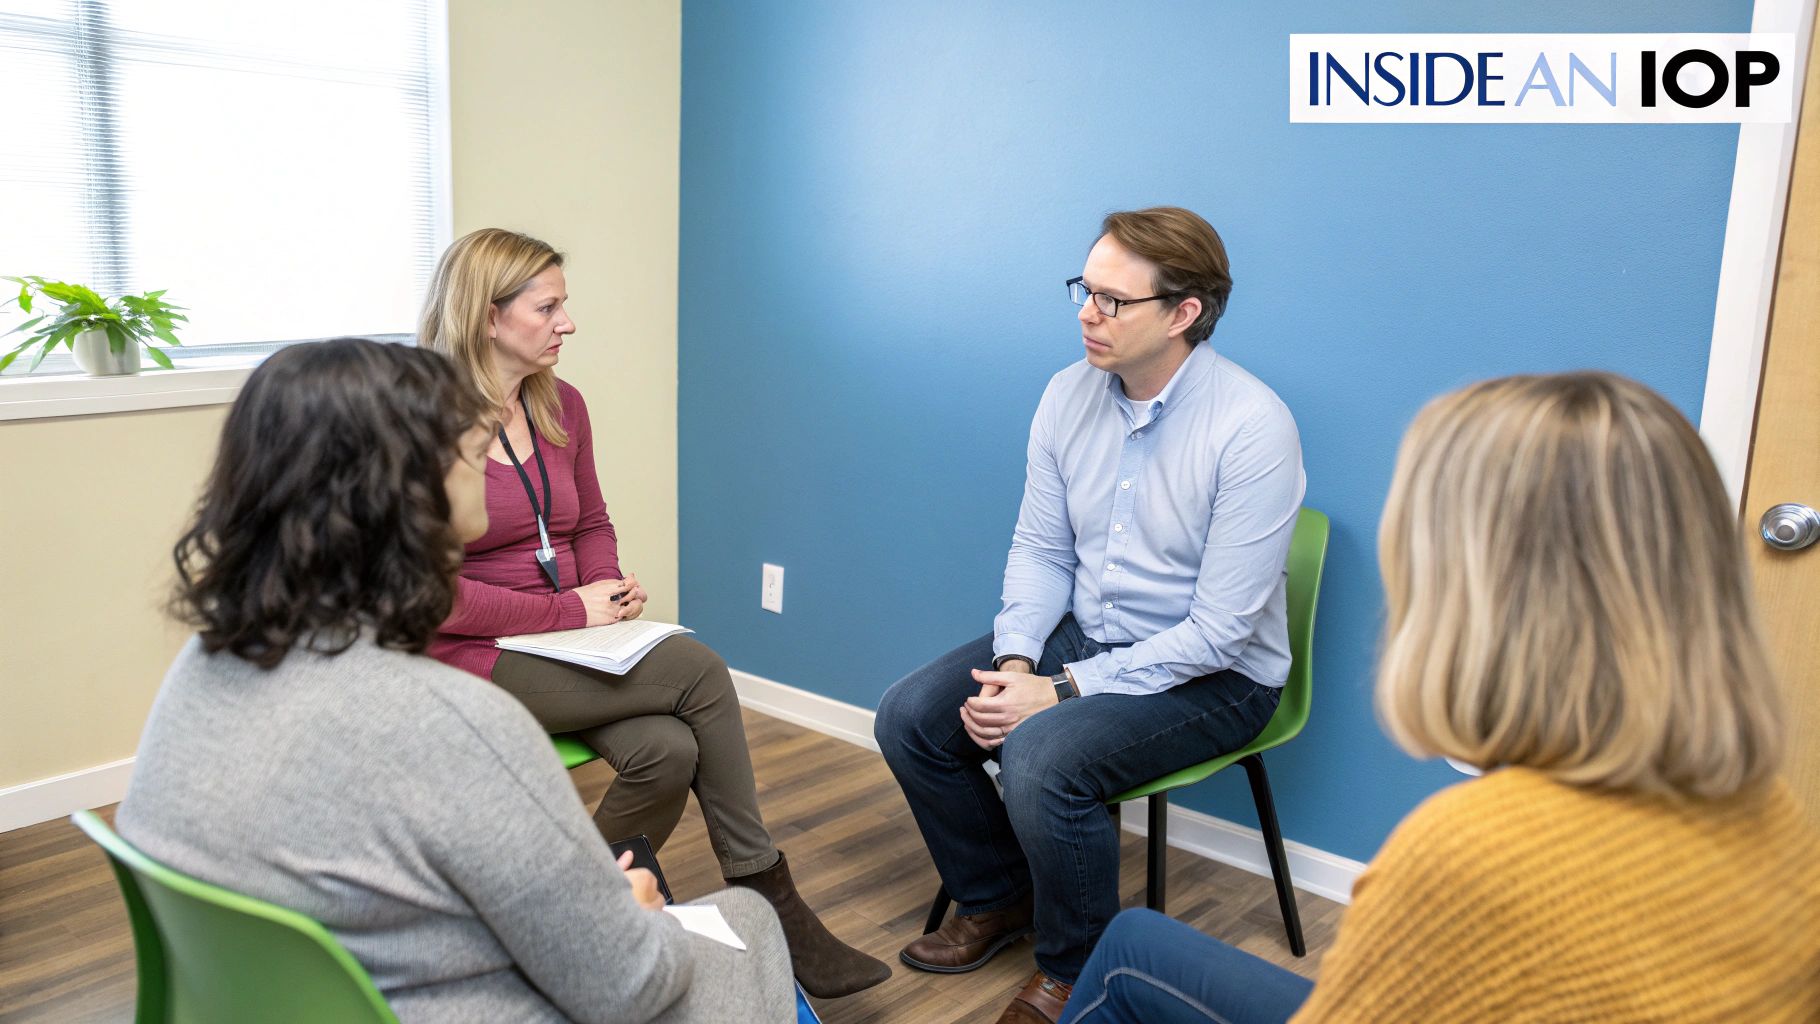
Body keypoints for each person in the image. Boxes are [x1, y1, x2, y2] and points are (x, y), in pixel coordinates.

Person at [1057, 372, 1820, 1023]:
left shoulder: (1471, 854)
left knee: (1125, 958)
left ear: (1470, 595)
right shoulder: (1772, 810)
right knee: (1133, 945)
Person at [117, 338, 798, 1023]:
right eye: (469, 446)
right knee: (745, 921)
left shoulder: (200, 668)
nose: (484, 448)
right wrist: (643, 914)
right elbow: (632, 985)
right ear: (406, 489)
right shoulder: (460, 722)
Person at [418, 227, 888, 999]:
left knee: (666, 750)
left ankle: (566, 912)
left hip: (573, 640)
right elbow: (435, 596)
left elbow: (590, 523)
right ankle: (767, 889)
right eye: (550, 307)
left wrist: (608, 595)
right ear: (489, 316)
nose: (568, 322)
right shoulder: (424, 423)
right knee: (699, 669)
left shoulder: (559, 403)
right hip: (472, 653)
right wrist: (573, 609)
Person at [874, 207, 1305, 1024]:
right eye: (1085, 290)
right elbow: (1042, 550)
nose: (1087, 313)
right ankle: (999, 897)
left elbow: (1219, 632)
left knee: (1041, 755)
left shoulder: (1252, 427)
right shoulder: (1066, 395)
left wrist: (1059, 692)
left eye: (1113, 300)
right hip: (1092, 632)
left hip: (1219, 672)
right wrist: (1015, 665)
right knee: (910, 718)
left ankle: (1079, 967)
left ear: (1184, 314)